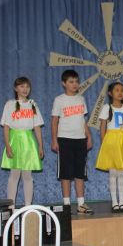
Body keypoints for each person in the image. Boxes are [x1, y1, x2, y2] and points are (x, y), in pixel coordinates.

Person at [51, 69, 94, 214]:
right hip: (64, 139)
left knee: (80, 173)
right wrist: (54, 140)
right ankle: (67, 205)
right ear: (64, 83)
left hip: (80, 139)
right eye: (71, 82)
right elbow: (54, 121)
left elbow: (83, 120)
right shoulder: (59, 100)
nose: (74, 84)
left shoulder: (81, 99)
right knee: (66, 173)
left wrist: (89, 136)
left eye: (76, 81)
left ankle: (81, 204)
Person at [0, 77, 44, 208]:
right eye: (22, 86)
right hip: (15, 140)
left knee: (27, 176)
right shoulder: (10, 104)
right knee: (14, 175)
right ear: (16, 88)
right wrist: (8, 146)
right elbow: (6, 127)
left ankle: (28, 206)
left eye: (27, 86)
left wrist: (40, 146)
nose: (25, 89)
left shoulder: (33, 105)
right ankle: (11, 206)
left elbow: (37, 127)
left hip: (28, 141)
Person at [95, 82, 123, 213]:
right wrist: (104, 144)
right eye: (117, 90)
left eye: (122, 90)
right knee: (113, 172)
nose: (120, 93)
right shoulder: (107, 108)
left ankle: (122, 203)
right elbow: (103, 127)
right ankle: (114, 203)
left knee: (122, 173)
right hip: (111, 141)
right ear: (110, 93)